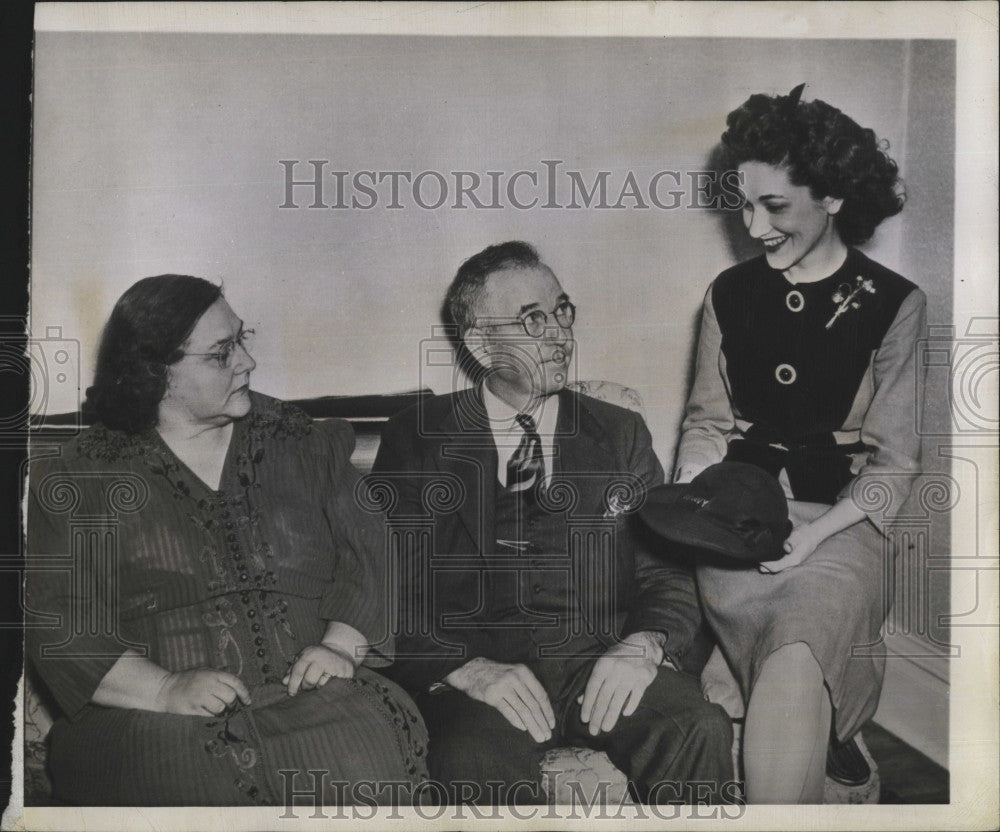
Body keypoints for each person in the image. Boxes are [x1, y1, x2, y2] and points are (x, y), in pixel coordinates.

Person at [25, 275, 428, 806]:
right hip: (149, 719)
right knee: (176, 777)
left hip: (316, 699)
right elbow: (59, 617)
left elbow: (371, 550)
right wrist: (164, 691)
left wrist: (339, 645)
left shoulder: (300, 441)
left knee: (358, 753)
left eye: (242, 338)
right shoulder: (83, 478)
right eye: (221, 353)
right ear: (155, 373)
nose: (247, 362)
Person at [371, 241, 733, 805]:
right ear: (481, 344)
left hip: (598, 660)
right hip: (481, 678)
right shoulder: (417, 437)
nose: (560, 334)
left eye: (562, 311)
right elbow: (386, 585)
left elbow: (667, 570)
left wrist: (644, 642)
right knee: (469, 764)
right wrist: (465, 670)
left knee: (697, 726)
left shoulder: (620, 433)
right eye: (531, 320)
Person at [675, 86, 926, 803]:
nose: (753, 225)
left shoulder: (897, 304)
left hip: (845, 526)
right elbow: (706, 424)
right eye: (743, 204)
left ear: (835, 199)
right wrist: (698, 492)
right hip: (740, 518)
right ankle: (818, 729)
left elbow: (896, 465)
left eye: (775, 207)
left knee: (794, 650)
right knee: (785, 676)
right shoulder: (727, 293)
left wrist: (816, 540)